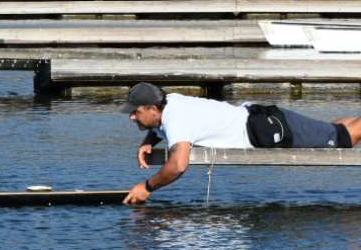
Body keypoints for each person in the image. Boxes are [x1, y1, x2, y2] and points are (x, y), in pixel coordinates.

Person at [120, 82, 361, 205]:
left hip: (267, 130)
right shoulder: (170, 101)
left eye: (136, 112)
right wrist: (151, 138)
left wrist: (147, 187)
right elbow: (168, 123)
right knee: (337, 132)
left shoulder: (175, 118)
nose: (132, 117)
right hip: (260, 120)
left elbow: (178, 165)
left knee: (341, 139)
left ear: (153, 108)